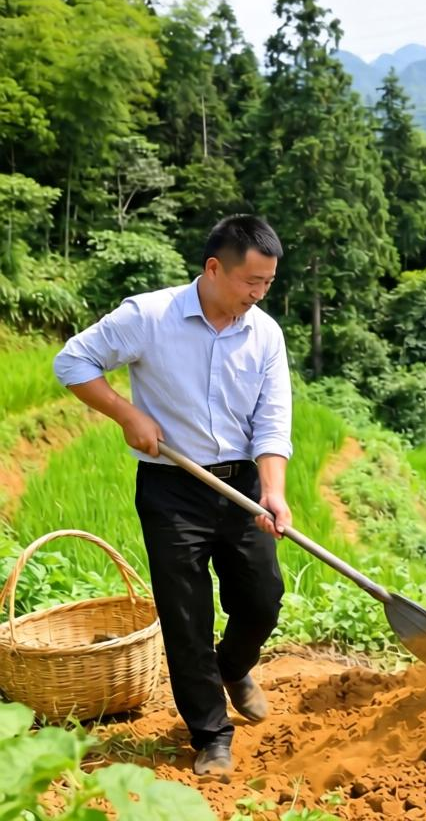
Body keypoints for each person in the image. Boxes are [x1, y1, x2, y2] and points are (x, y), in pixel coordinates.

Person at [53, 215, 293, 777]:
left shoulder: (265, 334)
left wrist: (273, 492)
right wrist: (126, 413)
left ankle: (232, 667)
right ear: (213, 268)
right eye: (249, 282)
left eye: (268, 284)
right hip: (171, 485)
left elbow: (273, 421)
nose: (258, 295)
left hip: (241, 485)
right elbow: (72, 361)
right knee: (186, 612)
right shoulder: (149, 316)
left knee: (263, 597)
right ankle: (210, 733)